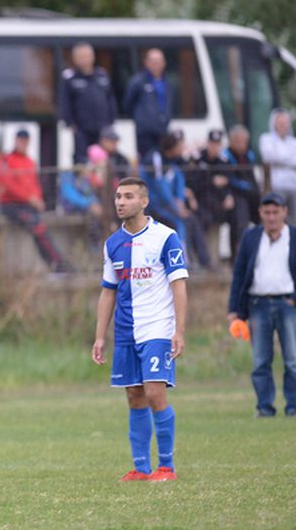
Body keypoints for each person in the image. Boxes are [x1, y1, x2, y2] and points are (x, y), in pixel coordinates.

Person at [92, 176, 188, 482]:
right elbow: (108, 291)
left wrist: (179, 330)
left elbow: (179, 285)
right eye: (118, 196)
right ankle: (141, 469)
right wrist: (99, 337)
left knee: (155, 393)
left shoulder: (165, 237)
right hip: (125, 331)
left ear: (144, 201)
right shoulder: (112, 244)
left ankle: (167, 467)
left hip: (157, 328)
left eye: (128, 196)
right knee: (134, 396)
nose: (120, 201)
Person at [227, 192, 296, 417]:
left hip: (288, 304)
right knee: (260, 361)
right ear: (260, 213)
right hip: (257, 304)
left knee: (293, 360)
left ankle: (294, 407)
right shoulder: (250, 238)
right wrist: (234, 309)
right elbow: (239, 274)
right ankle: (264, 407)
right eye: (266, 212)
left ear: (285, 212)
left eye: (275, 212)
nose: (271, 217)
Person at [0, 129, 67, 272]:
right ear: (15, 141)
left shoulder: (30, 162)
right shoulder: (4, 160)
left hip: (26, 206)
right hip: (10, 205)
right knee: (38, 227)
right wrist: (30, 198)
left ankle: (56, 265)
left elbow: (34, 184)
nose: (23, 143)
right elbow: (8, 184)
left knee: (40, 229)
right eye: (20, 140)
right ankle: (58, 265)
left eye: (25, 141)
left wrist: (38, 199)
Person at [141, 132, 212, 270]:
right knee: (178, 223)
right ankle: (182, 263)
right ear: (171, 147)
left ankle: (205, 261)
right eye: (180, 145)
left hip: (171, 206)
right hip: (154, 206)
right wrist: (176, 208)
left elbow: (180, 180)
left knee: (192, 220)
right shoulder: (155, 157)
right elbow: (159, 186)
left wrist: (180, 201)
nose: (183, 148)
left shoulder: (175, 160)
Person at [57, 42, 118, 163]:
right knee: (82, 160)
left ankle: (103, 182)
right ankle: (82, 182)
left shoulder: (102, 75)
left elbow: (110, 99)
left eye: (87, 56)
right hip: (81, 129)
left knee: (103, 160)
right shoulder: (70, 78)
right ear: (75, 59)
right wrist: (71, 124)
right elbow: (64, 103)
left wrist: (112, 120)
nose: (84, 59)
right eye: (81, 57)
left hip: (102, 128)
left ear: (93, 56)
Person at [186, 129, 236, 262]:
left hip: (217, 206)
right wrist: (212, 181)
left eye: (217, 144)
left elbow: (229, 183)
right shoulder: (197, 159)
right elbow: (192, 182)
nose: (214, 147)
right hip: (201, 204)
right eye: (212, 143)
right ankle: (201, 262)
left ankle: (213, 262)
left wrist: (229, 196)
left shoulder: (224, 162)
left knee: (216, 233)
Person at [259, 109, 296, 226]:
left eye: (285, 123)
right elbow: (268, 157)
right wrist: (290, 158)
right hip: (276, 185)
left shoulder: (294, 142)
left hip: (294, 186)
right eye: (279, 123)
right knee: (276, 219)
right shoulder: (266, 138)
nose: (282, 126)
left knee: (294, 220)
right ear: (274, 123)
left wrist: (280, 159)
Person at [123, 48, 171, 160]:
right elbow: (128, 104)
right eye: (153, 61)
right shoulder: (137, 81)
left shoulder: (167, 82)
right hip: (145, 132)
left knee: (162, 161)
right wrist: (141, 119)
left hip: (163, 130)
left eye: (158, 61)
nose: (156, 64)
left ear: (164, 63)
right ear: (146, 63)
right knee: (147, 162)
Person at [222, 125, 261, 256]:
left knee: (265, 212)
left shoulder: (249, 156)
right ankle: (237, 255)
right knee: (240, 220)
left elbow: (253, 179)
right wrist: (245, 186)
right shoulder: (226, 157)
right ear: (231, 141)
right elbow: (229, 180)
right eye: (238, 141)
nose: (241, 144)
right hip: (235, 196)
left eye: (244, 141)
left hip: (251, 195)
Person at [58, 150, 106, 250]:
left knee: (99, 211)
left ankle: (101, 241)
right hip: (69, 208)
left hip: (84, 208)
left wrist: (94, 203)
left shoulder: (84, 179)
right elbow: (71, 196)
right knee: (93, 214)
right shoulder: (67, 177)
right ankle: (95, 244)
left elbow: (89, 194)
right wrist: (89, 204)